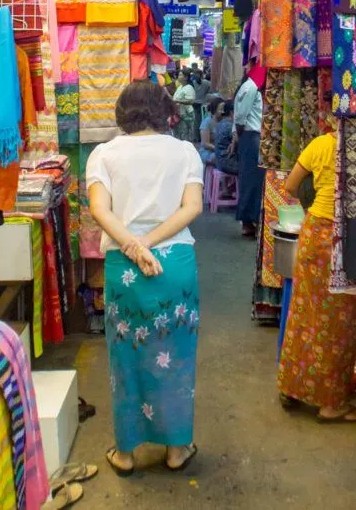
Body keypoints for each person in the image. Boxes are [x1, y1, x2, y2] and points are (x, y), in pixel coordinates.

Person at [86, 81, 204, 475]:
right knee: (177, 358)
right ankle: (175, 450)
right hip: (174, 265)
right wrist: (149, 244)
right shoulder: (185, 152)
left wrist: (135, 247)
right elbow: (192, 207)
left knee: (126, 359)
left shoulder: (103, 155)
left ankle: (125, 454)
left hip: (125, 267)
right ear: (164, 111)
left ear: (123, 113)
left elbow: (100, 211)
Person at [277, 130, 356, 422]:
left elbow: (290, 185)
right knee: (342, 319)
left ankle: (293, 387)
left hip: (315, 232)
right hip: (349, 235)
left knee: (305, 313)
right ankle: (330, 402)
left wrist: (316, 200)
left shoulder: (320, 144)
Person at [233, 65, 265, 237]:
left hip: (250, 136)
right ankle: (249, 220)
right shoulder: (251, 87)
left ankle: (249, 220)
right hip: (251, 136)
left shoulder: (250, 86)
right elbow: (240, 117)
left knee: (251, 179)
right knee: (252, 180)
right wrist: (238, 135)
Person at [214, 101, 239, 175]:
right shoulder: (230, 126)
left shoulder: (221, 123)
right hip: (228, 163)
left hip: (219, 161)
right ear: (232, 112)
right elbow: (238, 141)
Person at [198, 95, 223, 164]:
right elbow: (205, 143)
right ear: (214, 110)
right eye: (220, 109)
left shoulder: (225, 121)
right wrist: (219, 150)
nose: (223, 112)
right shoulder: (207, 122)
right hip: (208, 151)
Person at [172, 73, 197, 142]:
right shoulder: (180, 87)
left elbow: (190, 101)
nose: (178, 76)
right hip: (179, 114)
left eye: (180, 75)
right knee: (178, 135)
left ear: (186, 77)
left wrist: (177, 101)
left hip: (186, 114)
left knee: (185, 135)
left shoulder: (189, 87)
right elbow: (174, 99)